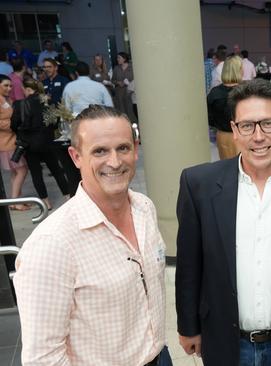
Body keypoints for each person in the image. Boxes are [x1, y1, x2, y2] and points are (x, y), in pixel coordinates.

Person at [176, 79, 271, 366]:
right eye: (247, 126)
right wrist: (188, 326)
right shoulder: (200, 184)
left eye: (268, 124)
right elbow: (189, 263)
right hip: (224, 338)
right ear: (234, 131)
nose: (258, 136)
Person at [13, 105, 171, 365]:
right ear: (75, 157)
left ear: (136, 149)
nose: (115, 161)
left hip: (158, 355)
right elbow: (43, 358)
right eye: (100, 151)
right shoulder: (52, 245)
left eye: (123, 148)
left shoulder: (144, 207)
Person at [10, 79, 69, 210]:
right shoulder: (48, 101)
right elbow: (55, 122)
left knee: (36, 174)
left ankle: (46, 203)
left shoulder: (21, 104)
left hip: (30, 144)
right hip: (48, 142)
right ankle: (68, 197)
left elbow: (13, 124)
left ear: (27, 89)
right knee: (57, 171)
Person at [0, 74, 29, 210]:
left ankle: (18, 200)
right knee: (22, 170)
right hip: (7, 142)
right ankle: (14, 202)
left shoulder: (7, 99)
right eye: (5, 85)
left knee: (15, 172)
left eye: (10, 85)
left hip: (12, 140)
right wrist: (13, 124)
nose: (9, 88)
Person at [207, 55, 243, 160]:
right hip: (241, 136)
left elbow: (209, 117)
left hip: (221, 136)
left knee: (226, 168)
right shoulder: (245, 92)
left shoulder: (214, 92)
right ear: (238, 70)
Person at [111, 52, 137, 123]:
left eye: (119, 58)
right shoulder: (116, 68)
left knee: (131, 111)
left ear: (124, 59)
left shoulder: (132, 67)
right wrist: (118, 82)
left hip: (130, 93)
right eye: (117, 58)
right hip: (119, 93)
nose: (117, 59)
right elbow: (113, 80)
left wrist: (128, 83)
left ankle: (134, 126)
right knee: (121, 112)